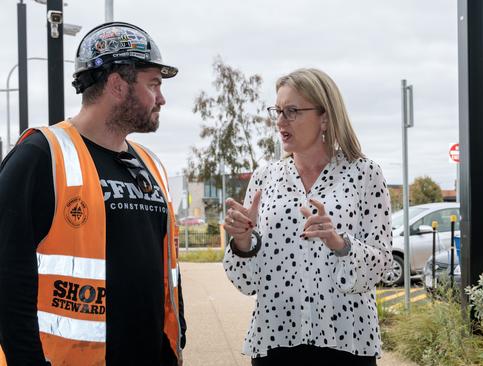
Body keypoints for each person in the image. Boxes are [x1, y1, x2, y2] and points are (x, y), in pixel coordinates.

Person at [0, 22, 186, 365]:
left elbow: (165, 273)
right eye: (154, 85)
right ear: (117, 85)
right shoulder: (41, 157)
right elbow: (7, 282)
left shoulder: (151, 166)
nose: (161, 98)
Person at [222, 68, 392, 365]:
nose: (280, 121)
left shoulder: (364, 173)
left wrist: (341, 244)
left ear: (324, 117)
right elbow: (246, 283)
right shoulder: (265, 178)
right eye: (277, 111)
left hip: (347, 343)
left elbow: (382, 265)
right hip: (276, 341)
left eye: (292, 111)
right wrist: (243, 242)